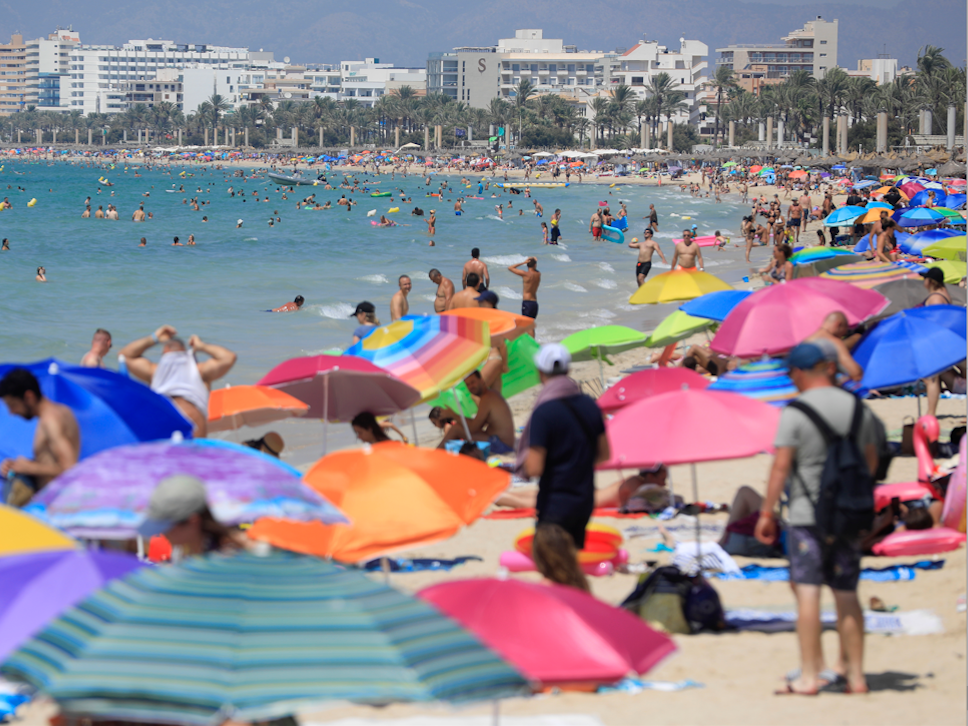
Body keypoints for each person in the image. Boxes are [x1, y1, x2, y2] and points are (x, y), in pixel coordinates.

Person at [755, 342, 878, 696]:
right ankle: (855, 677)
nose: (791, 379)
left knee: (808, 594)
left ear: (804, 371)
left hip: (807, 516)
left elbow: (780, 467)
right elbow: (870, 460)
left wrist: (766, 512)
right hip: (847, 515)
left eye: (792, 372)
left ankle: (810, 677)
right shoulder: (857, 407)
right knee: (847, 594)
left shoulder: (795, 412)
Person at [523, 344, 609, 592]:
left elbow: (535, 467)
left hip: (555, 503)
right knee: (569, 564)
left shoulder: (544, 412)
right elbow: (604, 454)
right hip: (583, 499)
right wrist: (576, 460)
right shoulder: (589, 405)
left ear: (541, 373)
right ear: (568, 369)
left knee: (554, 571)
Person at [117, 325, 237, 438]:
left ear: (165, 352)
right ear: (185, 351)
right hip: (192, 417)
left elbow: (124, 356)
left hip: (163, 417)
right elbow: (228, 357)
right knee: (192, 457)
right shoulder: (199, 370)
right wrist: (201, 346)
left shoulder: (154, 371)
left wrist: (154, 338)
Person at [0, 368, 80, 506]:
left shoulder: (50, 421)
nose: (12, 412)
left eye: (13, 405)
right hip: (54, 497)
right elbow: (52, 459)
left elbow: (71, 468)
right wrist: (19, 465)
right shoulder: (62, 411)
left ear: (29, 397)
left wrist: (30, 468)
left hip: (54, 504)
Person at [136, 475, 246, 557]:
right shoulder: (185, 549)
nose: (162, 533)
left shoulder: (228, 555)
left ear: (193, 520)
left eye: (167, 526)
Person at [437, 370, 515, 454]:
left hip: (501, 445)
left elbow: (472, 429)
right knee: (458, 428)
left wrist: (453, 415)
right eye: (467, 384)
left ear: (481, 380)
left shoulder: (487, 399)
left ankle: (435, 454)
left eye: (473, 382)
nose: (471, 386)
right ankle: (438, 454)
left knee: (456, 429)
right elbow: (477, 426)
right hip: (500, 442)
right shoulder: (489, 395)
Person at [921, 267, 960, 417]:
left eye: (925, 279)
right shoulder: (943, 293)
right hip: (943, 339)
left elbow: (937, 321)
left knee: (931, 378)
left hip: (936, 340)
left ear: (930, 281)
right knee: (934, 377)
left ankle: (930, 413)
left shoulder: (936, 297)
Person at [806, 312, 864, 382]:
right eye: (844, 331)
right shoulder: (834, 341)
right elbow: (856, 374)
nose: (843, 335)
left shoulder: (806, 341)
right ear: (838, 324)